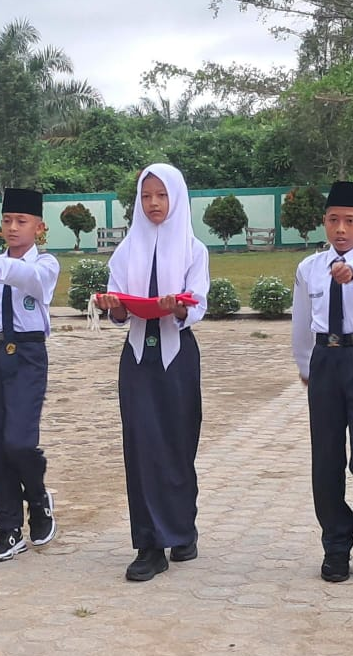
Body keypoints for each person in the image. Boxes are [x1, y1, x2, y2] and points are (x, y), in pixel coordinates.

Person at [97, 163, 210, 582]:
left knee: (178, 444)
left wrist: (177, 308)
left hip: (177, 356)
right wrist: (114, 307)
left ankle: (181, 530)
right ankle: (149, 545)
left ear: (176, 198)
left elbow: (197, 303)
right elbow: (119, 309)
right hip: (138, 359)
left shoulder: (194, 250)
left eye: (161, 195)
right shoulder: (126, 250)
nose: (153, 204)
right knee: (142, 447)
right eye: (146, 196)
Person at [291, 180, 353, 583]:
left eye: (350, 220)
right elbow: (301, 322)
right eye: (333, 220)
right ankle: (335, 544)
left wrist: (351, 271)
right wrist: (305, 366)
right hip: (325, 361)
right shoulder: (309, 268)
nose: (341, 229)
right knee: (326, 459)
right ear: (324, 222)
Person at [0, 188, 60, 563]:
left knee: (19, 442)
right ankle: (8, 530)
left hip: (28, 355)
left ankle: (37, 497)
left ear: (39, 227)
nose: (13, 227)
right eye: (7, 220)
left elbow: (27, 278)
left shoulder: (45, 266)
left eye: (22, 221)